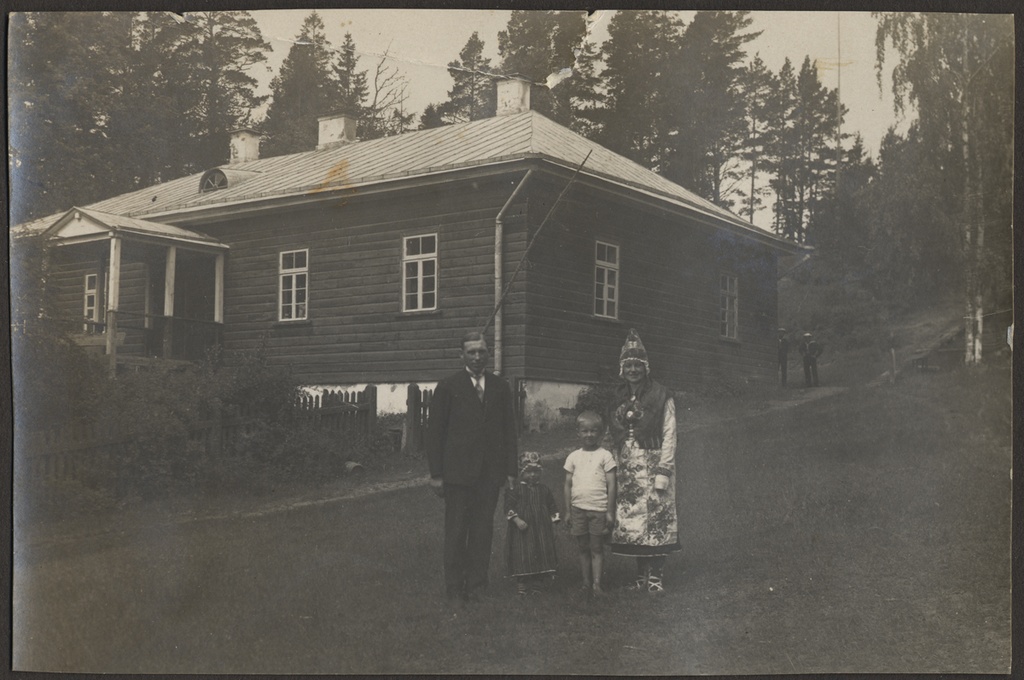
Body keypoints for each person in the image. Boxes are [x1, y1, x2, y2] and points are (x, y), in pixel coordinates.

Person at [426, 331, 519, 603]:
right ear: (461, 355)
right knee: (456, 531)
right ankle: (455, 588)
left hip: (489, 474)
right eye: (471, 352)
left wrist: (510, 470)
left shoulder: (500, 387)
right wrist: (436, 474)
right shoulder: (448, 387)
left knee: (482, 530)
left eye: (481, 351)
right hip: (457, 474)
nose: (477, 357)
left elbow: (509, 431)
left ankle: (478, 585)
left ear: (489, 353)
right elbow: (435, 434)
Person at [608, 328, 680, 593]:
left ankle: (656, 578)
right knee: (633, 522)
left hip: (653, 463)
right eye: (629, 365)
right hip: (627, 465)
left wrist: (665, 468)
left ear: (646, 367)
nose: (633, 370)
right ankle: (640, 577)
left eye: (638, 365)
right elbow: (610, 432)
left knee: (656, 520)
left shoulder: (662, 395)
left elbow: (670, 434)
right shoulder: (617, 396)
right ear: (622, 368)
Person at [563, 411, 617, 596]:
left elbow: (611, 484)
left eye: (594, 431)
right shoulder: (573, 457)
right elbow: (568, 485)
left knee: (596, 548)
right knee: (583, 547)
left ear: (600, 433)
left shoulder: (605, 456)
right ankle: (585, 582)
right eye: (585, 431)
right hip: (578, 509)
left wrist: (609, 511)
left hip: (599, 509)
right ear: (578, 433)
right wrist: (568, 511)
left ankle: (597, 584)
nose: (589, 435)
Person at [505, 451, 560, 597]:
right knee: (523, 554)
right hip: (522, 529)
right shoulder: (515, 489)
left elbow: (552, 505)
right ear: (522, 473)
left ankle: (537, 584)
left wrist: (554, 520)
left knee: (539, 552)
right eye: (529, 472)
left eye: (536, 472)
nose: (533, 475)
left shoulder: (544, 489)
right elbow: (508, 507)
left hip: (541, 529)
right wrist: (516, 520)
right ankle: (522, 585)